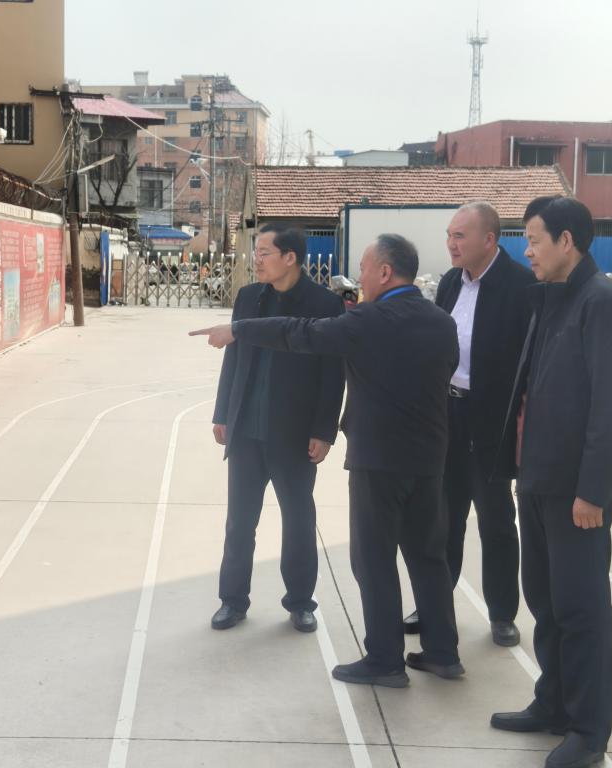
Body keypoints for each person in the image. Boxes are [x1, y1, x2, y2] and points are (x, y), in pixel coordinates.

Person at [192, 233, 463, 687]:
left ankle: (385, 661)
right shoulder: (441, 322)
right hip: (430, 457)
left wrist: (238, 330)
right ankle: (443, 653)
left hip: (379, 458)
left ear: (384, 272)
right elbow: (447, 371)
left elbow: (300, 334)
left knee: (374, 561)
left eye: (364, 268)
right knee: (428, 556)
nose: (359, 276)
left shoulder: (366, 320)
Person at [491, 197, 612, 768]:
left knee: (581, 610)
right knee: (545, 600)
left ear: (567, 241)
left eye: (534, 240)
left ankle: (588, 729)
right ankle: (553, 702)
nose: (527, 251)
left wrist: (593, 491)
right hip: (538, 479)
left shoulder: (603, 304)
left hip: (576, 493)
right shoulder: (553, 298)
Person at [199, 223, 344, 634]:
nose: (256, 260)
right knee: (239, 522)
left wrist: (324, 431)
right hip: (246, 429)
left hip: (294, 434)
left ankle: (300, 602)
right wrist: (223, 413)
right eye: (256, 252)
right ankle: (232, 600)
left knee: (298, 521)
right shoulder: (249, 297)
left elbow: (333, 373)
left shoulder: (324, 304)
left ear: (290, 258)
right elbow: (233, 358)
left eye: (264, 252)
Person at [403, 202, 536, 647]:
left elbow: (529, 363)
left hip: (491, 421)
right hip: (447, 415)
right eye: (449, 235)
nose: (451, 244)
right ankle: (434, 605)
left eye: (459, 236)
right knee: (442, 519)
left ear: (489, 240)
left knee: (495, 520)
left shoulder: (520, 286)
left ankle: (502, 613)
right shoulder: (449, 282)